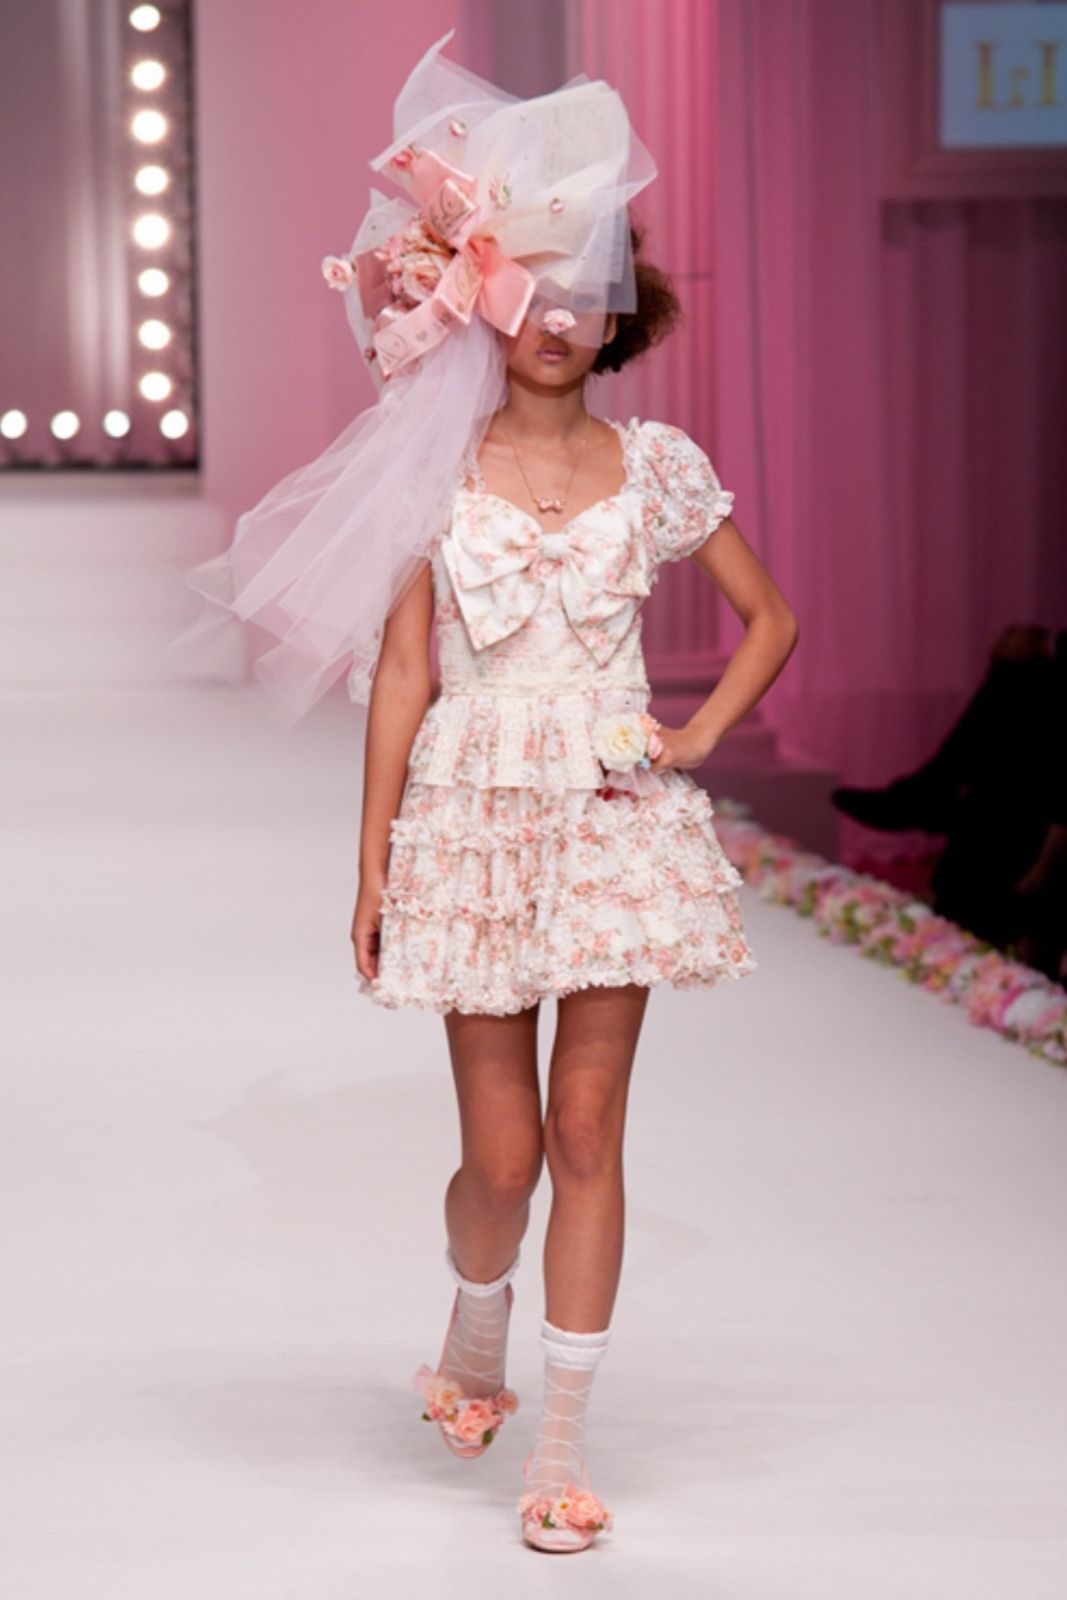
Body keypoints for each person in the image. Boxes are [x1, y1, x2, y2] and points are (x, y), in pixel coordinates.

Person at [171, 32, 799, 1554]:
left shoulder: (657, 465)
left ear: (618, 313)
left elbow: (770, 618)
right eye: (533, 287)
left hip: (608, 812)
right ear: (481, 298)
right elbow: (403, 672)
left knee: (588, 1131)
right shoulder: (433, 469)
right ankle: (473, 1322)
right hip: (467, 814)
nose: (558, 320)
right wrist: (372, 867)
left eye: (586, 293)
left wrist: (694, 738)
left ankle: (562, 1446)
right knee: (502, 1160)